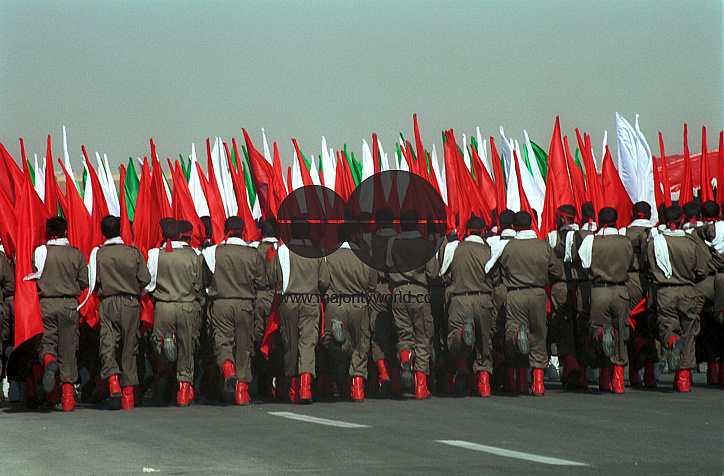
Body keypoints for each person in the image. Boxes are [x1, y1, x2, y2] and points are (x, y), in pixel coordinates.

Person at [485, 211, 562, 396]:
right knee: (539, 336)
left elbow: (496, 272)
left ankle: (517, 382)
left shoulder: (508, 247)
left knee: (512, 334)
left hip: (515, 294)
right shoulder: (543, 246)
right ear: (531, 224)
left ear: (515, 226)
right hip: (537, 294)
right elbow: (557, 272)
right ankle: (538, 384)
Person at [82, 215, 151, 410]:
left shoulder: (98, 254)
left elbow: (92, 282)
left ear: (103, 232)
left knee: (107, 343)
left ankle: (113, 383)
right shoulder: (133, 252)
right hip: (130, 303)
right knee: (130, 347)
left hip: (108, 302)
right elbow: (145, 280)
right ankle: (128, 395)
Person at [26, 216, 89, 411]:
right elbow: (84, 282)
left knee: (46, 343)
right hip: (69, 305)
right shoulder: (75, 253)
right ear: (66, 231)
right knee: (69, 349)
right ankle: (68, 398)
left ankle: (49, 361)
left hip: (46, 304)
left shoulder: (40, 252)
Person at [202, 216, 266, 405]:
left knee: (222, 342)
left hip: (221, 303)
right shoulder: (253, 254)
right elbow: (261, 282)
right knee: (244, 347)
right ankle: (241, 392)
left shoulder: (213, 252)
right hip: (245, 305)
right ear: (243, 231)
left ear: (226, 231)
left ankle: (228, 369)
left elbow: (204, 279)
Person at [647, 205, 710, 392]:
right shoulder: (691, 242)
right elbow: (702, 269)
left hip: (664, 291)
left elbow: (647, 265)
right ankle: (683, 379)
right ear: (682, 220)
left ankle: (673, 341)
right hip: (687, 290)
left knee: (666, 326)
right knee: (689, 333)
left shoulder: (655, 242)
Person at [269, 218, 330, 403]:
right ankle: (305, 388)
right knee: (308, 343)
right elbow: (324, 282)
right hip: (310, 300)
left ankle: (294, 388)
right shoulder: (317, 252)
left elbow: (271, 277)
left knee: (290, 343)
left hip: (288, 301)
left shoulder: (282, 251)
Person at [146, 218, 205, 406]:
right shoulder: (193, 255)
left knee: (158, 342)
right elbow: (198, 284)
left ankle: (166, 360)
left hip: (164, 306)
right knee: (187, 347)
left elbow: (149, 284)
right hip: (186, 305)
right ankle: (184, 392)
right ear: (181, 234)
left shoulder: (155, 254)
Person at [578, 207, 633, 393]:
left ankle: (603, 335)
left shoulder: (592, 240)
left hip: (599, 290)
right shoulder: (626, 241)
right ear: (617, 221)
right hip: (620, 290)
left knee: (596, 328)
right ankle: (618, 381)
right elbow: (630, 263)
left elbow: (584, 263)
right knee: (621, 333)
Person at [387, 210, 440, 399]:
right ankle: (420, 387)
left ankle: (405, 356)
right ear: (417, 225)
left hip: (399, 292)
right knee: (423, 336)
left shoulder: (393, 243)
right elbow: (433, 273)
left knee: (404, 333)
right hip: (419, 292)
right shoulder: (426, 245)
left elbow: (387, 269)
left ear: (401, 226)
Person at [321, 225, 377, 401]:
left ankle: (341, 349)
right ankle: (358, 388)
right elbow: (372, 284)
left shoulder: (328, 256)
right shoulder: (364, 256)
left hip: (336, 305)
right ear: (353, 236)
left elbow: (323, 282)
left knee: (332, 340)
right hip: (358, 305)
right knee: (361, 345)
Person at [440, 216, 495, 397]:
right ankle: (484, 385)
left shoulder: (455, 248)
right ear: (482, 232)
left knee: (455, 338)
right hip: (482, 299)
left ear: (468, 231)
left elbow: (444, 275)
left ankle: (462, 362)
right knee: (484, 342)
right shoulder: (488, 250)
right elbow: (494, 277)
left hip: (460, 299)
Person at [547, 204, 585, 390]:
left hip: (561, 286)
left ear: (563, 219)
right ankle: (577, 375)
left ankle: (571, 363)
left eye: (556, 216)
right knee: (580, 327)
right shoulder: (585, 236)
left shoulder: (553, 237)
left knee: (563, 326)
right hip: (581, 287)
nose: (554, 219)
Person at [621, 202, 658, 388]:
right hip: (652, 281)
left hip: (630, 280)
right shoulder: (657, 233)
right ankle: (650, 375)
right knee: (649, 324)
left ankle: (634, 373)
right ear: (649, 214)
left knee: (628, 322)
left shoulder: (624, 233)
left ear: (633, 214)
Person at [368, 207, 400, 397]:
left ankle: (383, 373)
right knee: (397, 333)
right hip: (397, 289)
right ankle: (396, 381)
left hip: (378, 288)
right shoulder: (401, 240)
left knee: (378, 334)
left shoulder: (372, 242)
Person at [487, 209, 517, 392]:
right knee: (515, 329)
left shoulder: (493, 243)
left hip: (498, 290)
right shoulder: (522, 243)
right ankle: (517, 379)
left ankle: (498, 365)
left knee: (495, 330)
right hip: (519, 289)